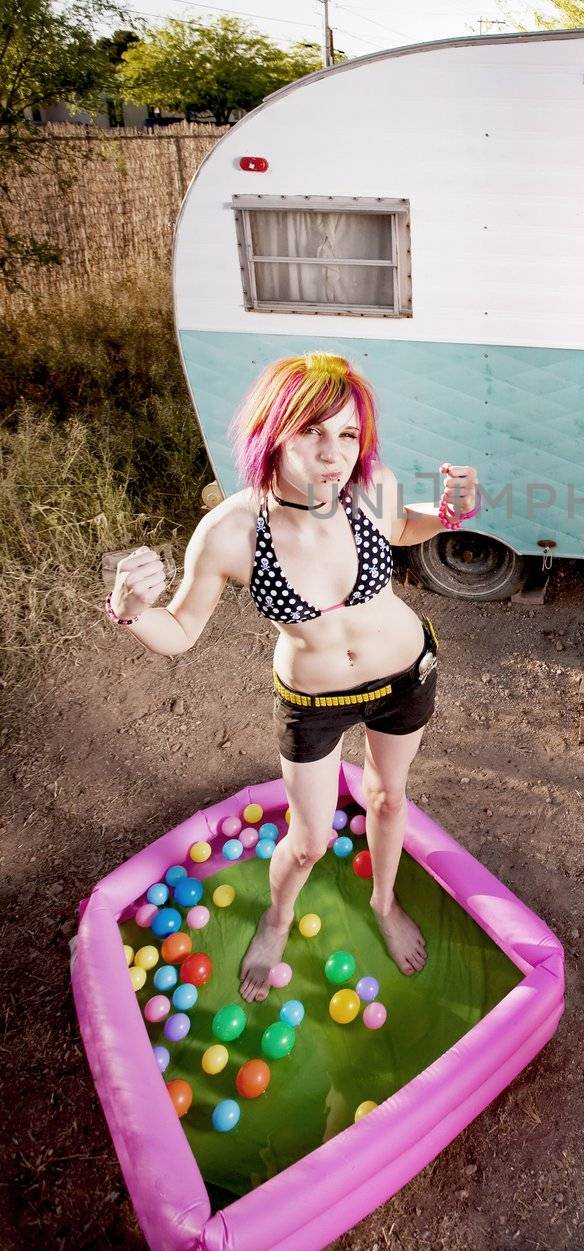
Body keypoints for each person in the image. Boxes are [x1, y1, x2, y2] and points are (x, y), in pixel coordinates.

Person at [105, 351, 480, 1002]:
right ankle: (276, 918)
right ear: (271, 431)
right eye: (311, 431)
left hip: (404, 675)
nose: (333, 454)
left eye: (347, 434)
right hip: (314, 700)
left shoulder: (370, 490)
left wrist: (447, 513)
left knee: (389, 799)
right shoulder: (228, 533)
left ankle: (384, 902)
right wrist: (130, 610)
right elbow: (179, 632)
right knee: (307, 842)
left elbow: (404, 523)